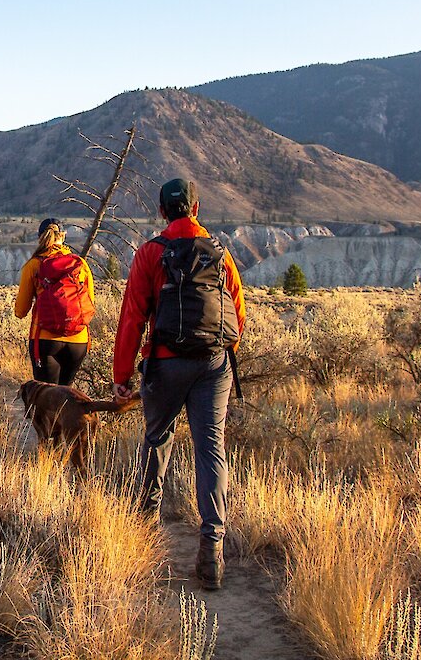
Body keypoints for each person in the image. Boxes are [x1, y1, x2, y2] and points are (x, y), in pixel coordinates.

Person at [112, 178, 245, 589]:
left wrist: (121, 375)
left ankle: (147, 527)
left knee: (157, 439)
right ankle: (211, 552)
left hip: (166, 364)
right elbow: (237, 318)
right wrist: (214, 351)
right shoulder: (220, 254)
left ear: (161, 211)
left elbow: (133, 317)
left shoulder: (151, 253)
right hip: (214, 365)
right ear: (197, 207)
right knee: (211, 450)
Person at [15, 218, 95, 386]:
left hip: (45, 339)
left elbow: (20, 311)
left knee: (46, 399)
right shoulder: (80, 264)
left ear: (40, 238)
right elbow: (90, 304)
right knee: (66, 396)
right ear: (63, 236)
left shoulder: (34, 265)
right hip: (78, 340)